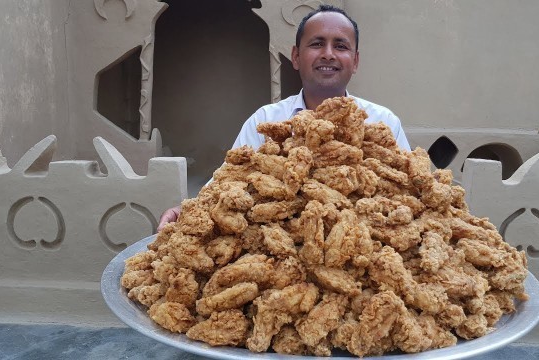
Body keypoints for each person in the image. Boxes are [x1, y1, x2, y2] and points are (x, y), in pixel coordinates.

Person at [157, 5, 410, 229]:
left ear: (355, 61)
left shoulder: (383, 123)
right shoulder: (265, 121)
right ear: (296, 57)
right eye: (317, 43)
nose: (328, 54)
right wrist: (186, 211)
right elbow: (224, 183)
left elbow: (411, 193)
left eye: (340, 46)